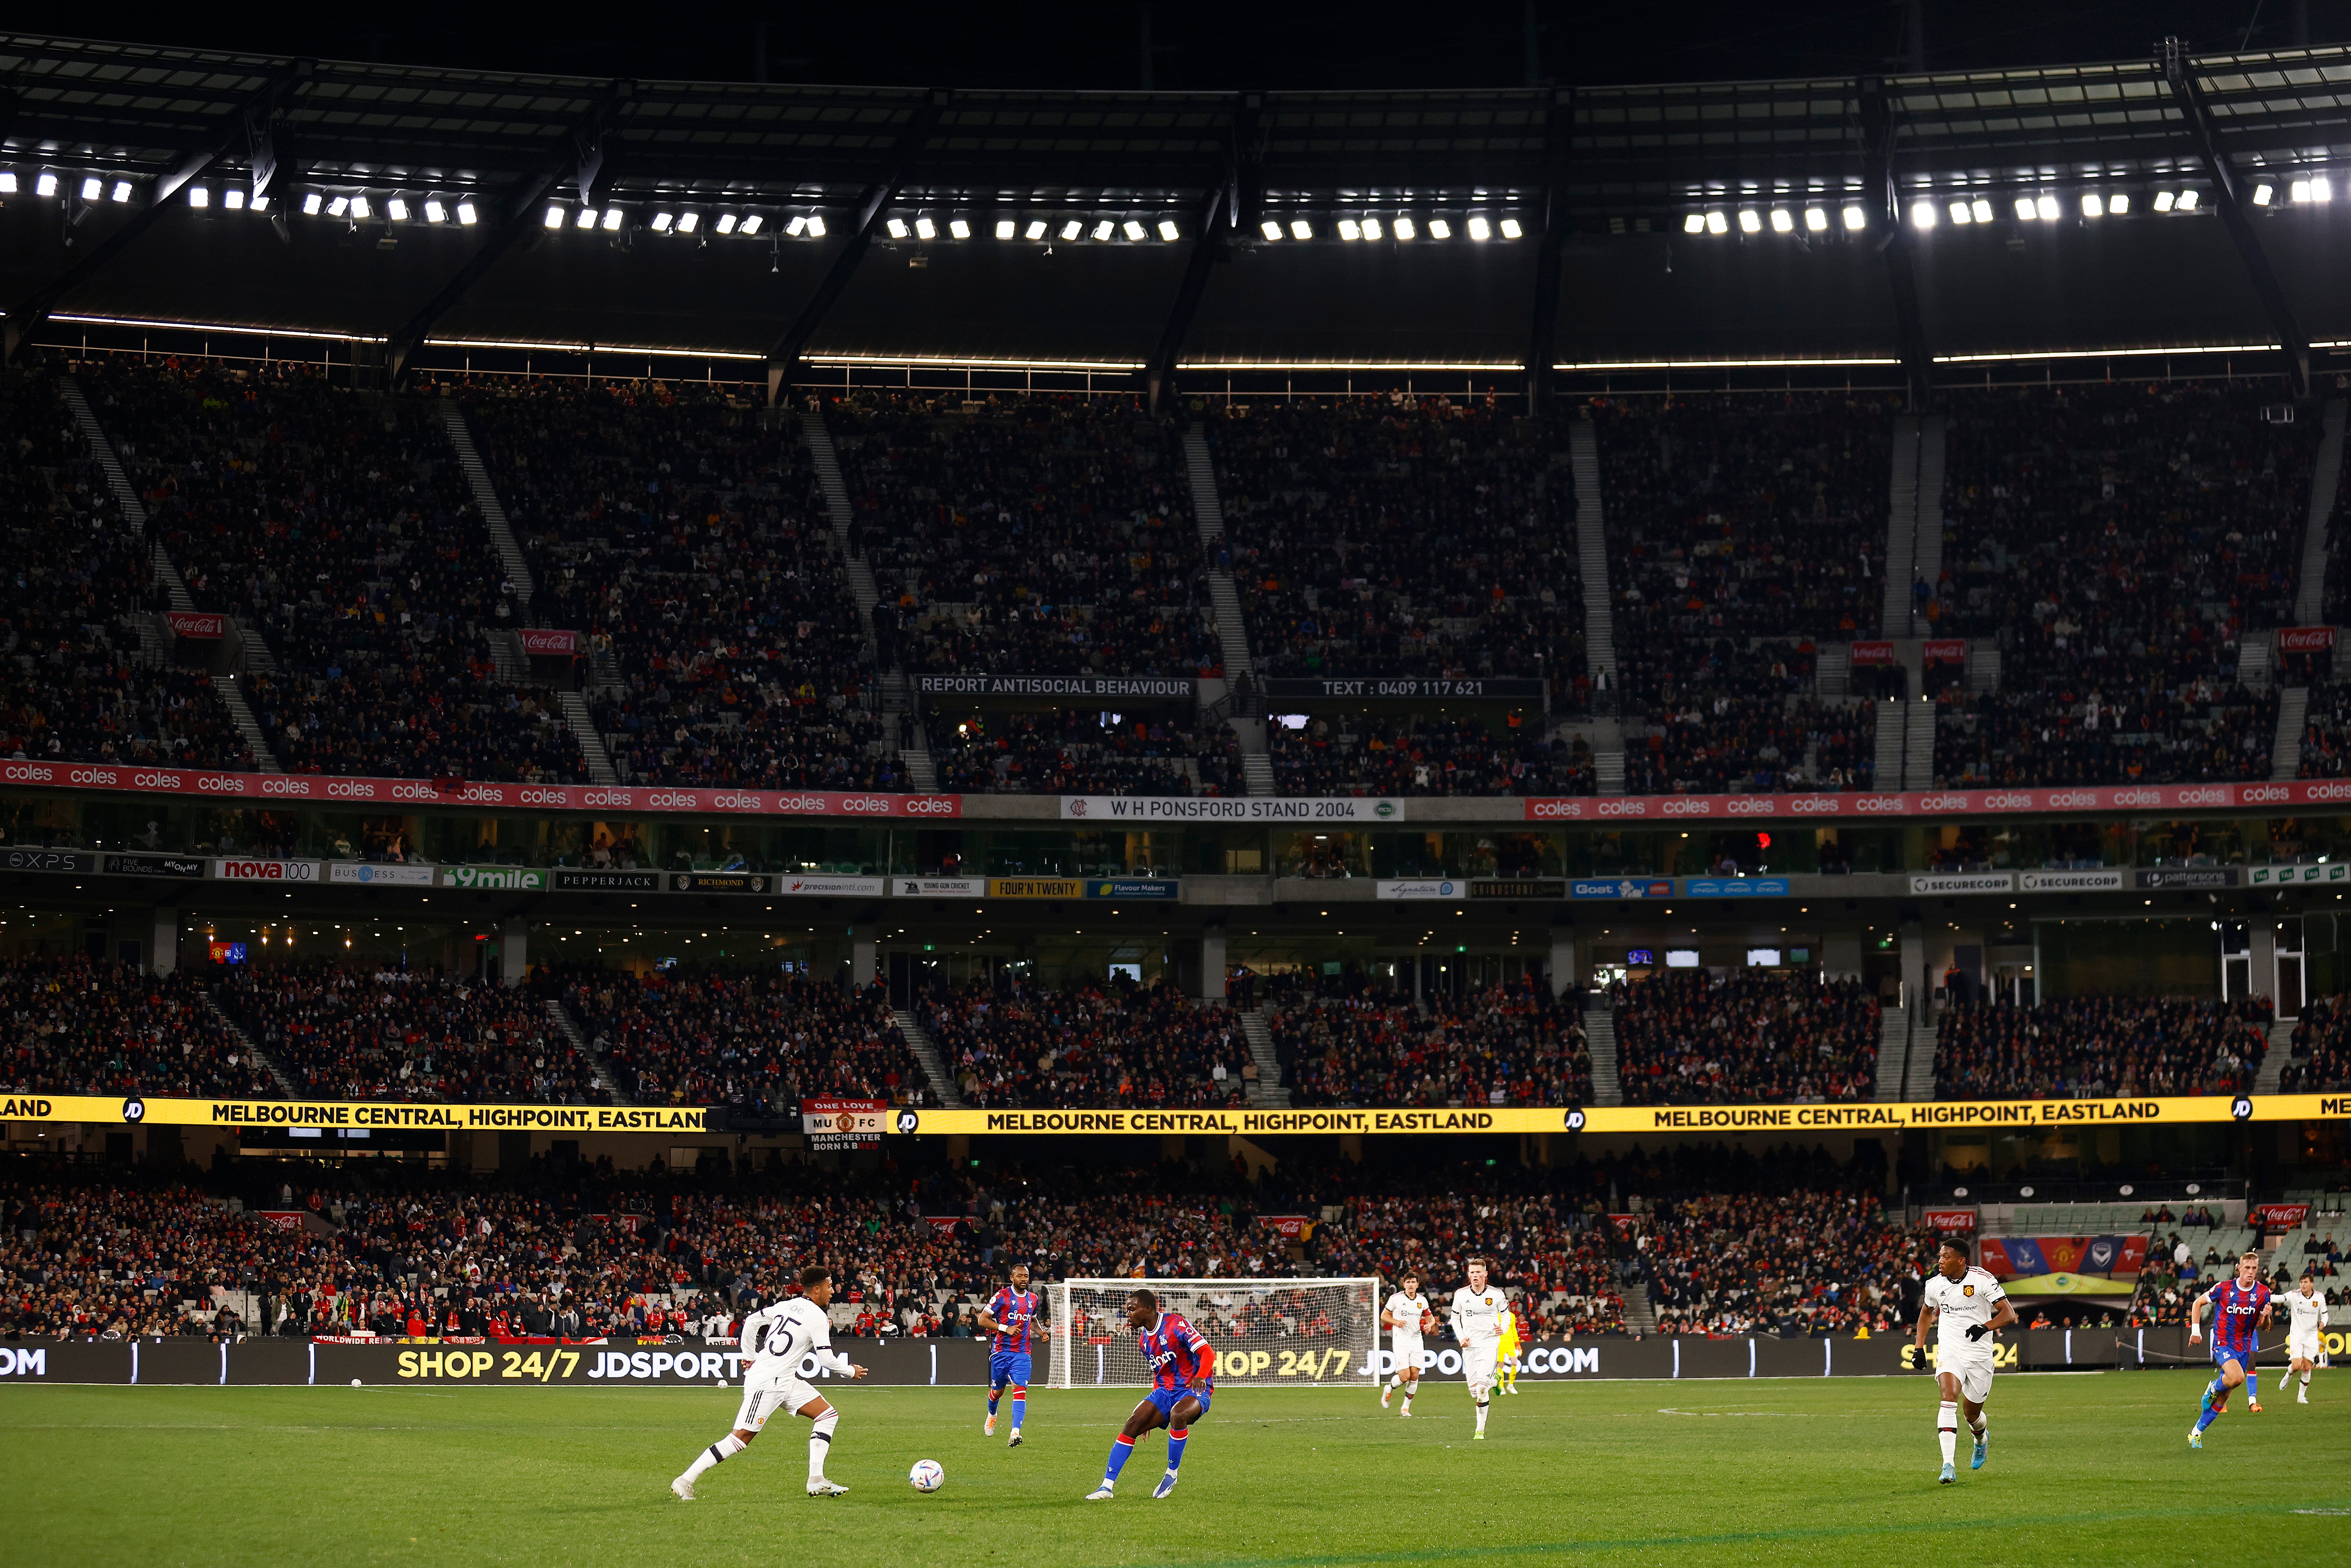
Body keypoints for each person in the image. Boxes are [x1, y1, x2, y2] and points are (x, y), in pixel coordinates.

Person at [670, 1266, 868, 1501]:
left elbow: (753, 1320)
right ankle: (684, 1480)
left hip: (784, 1380)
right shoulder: (818, 1317)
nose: (832, 1291)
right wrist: (850, 1371)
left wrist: (749, 1355)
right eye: (829, 1286)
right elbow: (826, 1359)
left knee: (827, 1415)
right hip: (767, 1382)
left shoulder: (786, 1305)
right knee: (740, 1438)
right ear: (816, 1290)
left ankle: (816, 1480)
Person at [1086, 1288, 1216, 1501]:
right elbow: (1160, 1374)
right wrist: (1152, 1410)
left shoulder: (1176, 1324)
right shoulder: (1144, 1341)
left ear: (1147, 1309)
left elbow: (1207, 1352)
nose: (1128, 1314)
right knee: (1134, 1423)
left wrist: (1201, 1376)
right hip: (1165, 1391)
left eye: (1132, 1309)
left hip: (1193, 1388)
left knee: (1178, 1415)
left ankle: (1171, 1474)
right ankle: (1106, 1487)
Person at [1915, 1237, 2016, 1484]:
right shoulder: (1934, 1285)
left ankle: (1981, 1438)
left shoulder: (1982, 1279)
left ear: (1961, 1260)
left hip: (1979, 1355)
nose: (1940, 1261)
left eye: (1946, 1257)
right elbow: (1927, 1312)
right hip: (1950, 1349)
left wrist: (1985, 1327)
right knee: (1948, 1397)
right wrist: (1919, 1346)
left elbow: (2008, 1313)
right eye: (1940, 1256)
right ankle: (1947, 1464)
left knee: (1972, 1414)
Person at [2188, 1250, 2274, 1448]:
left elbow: (2265, 1326)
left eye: (2254, 1268)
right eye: (2247, 1268)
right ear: (2239, 1269)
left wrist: (2267, 1315)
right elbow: (2197, 1303)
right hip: (2224, 1342)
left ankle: (2196, 1432)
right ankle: (2213, 1387)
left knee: (2225, 1396)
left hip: (2244, 1345)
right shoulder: (2225, 1288)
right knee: (2237, 1378)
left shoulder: (2263, 1292)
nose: (2251, 1272)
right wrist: (2195, 1331)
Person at [976, 1262, 1042, 1447]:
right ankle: (992, 1414)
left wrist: (1042, 1332)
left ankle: (1015, 1433)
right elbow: (982, 1320)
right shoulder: (1002, 1296)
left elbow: (1033, 1320)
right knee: (998, 1391)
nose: (1024, 1279)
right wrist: (1006, 1328)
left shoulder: (1033, 1299)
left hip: (1022, 1353)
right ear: (1012, 1278)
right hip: (1001, 1352)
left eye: (1026, 1276)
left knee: (1020, 1391)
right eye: (1020, 1276)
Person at [1449, 1257, 1507, 1440]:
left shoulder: (1497, 1294)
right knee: (1475, 1392)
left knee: (1482, 1390)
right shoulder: (1461, 1295)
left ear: (1485, 1275)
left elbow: (1506, 1316)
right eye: (1472, 1273)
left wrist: (1503, 1328)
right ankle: (1496, 1381)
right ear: (1469, 1274)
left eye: (1478, 1273)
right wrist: (1461, 1338)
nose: (1475, 1276)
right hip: (1470, 1346)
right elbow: (1455, 1319)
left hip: (1489, 1344)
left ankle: (1480, 1430)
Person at [1379, 1270, 1431, 1416]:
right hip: (1401, 1341)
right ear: (1404, 1285)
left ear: (1417, 1285)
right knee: (1404, 1377)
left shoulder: (1423, 1301)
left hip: (1416, 1341)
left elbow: (1431, 1319)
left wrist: (1430, 1325)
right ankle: (1389, 1389)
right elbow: (1384, 1316)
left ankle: (1405, 1408)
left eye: (1413, 1282)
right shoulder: (1396, 1299)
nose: (1411, 1285)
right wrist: (1396, 1322)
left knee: (1415, 1376)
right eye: (1408, 1282)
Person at [2273, 1270, 2329, 1406]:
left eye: (2305, 1282)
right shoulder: (2294, 1295)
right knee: (2297, 1366)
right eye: (2301, 1282)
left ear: (2312, 1284)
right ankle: (2288, 1375)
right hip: (2297, 1335)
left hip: (2311, 1337)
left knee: (2307, 1368)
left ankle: (2301, 1396)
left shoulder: (2319, 1297)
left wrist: (2323, 1323)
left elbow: (2325, 1315)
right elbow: (2280, 1299)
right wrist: (2263, 1296)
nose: (2303, 1285)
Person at [1497, 1298, 1526, 1395]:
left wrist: (1518, 1344)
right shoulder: (1495, 1316)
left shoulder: (1512, 1316)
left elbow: (1514, 1330)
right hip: (1500, 1343)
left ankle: (1511, 1385)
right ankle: (1501, 1387)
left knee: (1515, 1362)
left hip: (1510, 1343)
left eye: (1508, 1303)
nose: (1507, 1304)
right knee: (1500, 1365)